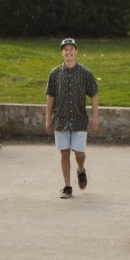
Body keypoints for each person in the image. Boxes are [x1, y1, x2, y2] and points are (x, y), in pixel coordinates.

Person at [45, 38, 99, 199]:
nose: (68, 52)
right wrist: (48, 118)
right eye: (65, 49)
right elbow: (50, 96)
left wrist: (95, 118)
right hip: (60, 119)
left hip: (79, 119)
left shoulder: (85, 73)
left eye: (71, 49)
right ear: (62, 53)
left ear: (76, 51)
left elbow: (94, 95)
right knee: (64, 153)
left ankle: (81, 169)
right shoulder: (55, 74)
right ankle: (67, 186)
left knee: (79, 153)